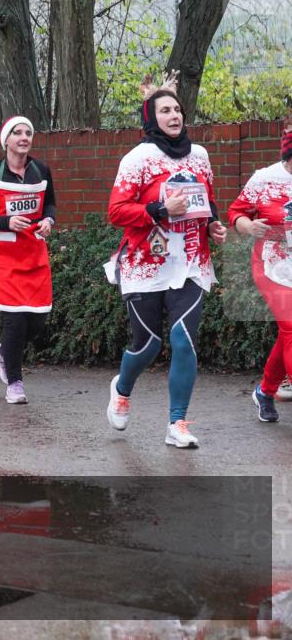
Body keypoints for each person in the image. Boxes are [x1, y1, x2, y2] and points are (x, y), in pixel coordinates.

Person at [104, 72, 227, 448]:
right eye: (165, 110)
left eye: (177, 109)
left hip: (190, 262)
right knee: (149, 345)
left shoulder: (200, 156)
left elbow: (206, 201)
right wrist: (158, 209)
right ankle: (122, 387)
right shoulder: (138, 158)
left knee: (184, 339)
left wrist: (213, 227)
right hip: (146, 264)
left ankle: (178, 423)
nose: (174, 115)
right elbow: (116, 211)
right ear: (150, 118)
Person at [0, 116, 57, 404]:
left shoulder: (41, 169)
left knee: (39, 320)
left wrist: (48, 220)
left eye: (28, 132)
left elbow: (51, 204)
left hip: (33, 254)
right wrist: (7, 223)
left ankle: (3, 351)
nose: (23, 137)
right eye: (17, 133)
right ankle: (15, 384)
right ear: (6, 140)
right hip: (0, 259)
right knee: (16, 319)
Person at [227, 113, 292, 423]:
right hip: (273, 265)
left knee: (287, 333)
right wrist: (247, 225)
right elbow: (236, 211)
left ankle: (265, 391)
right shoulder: (265, 178)